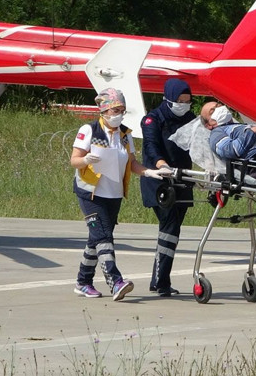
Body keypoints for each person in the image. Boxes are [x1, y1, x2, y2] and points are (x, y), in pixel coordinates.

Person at [69, 87, 169, 300]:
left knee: (96, 239)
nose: (118, 114)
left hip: (113, 194)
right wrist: (85, 160)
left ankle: (83, 281)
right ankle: (116, 282)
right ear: (103, 110)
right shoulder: (90, 130)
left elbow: (132, 163)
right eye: (114, 109)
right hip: (91, 194)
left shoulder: (125, 134)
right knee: (104, 238)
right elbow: (74, 160)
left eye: (121, 109)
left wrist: (150, 172)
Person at [140, 78, 196, 297]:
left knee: (172, 229)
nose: (183, 104)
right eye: (179, 100)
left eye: (187, 100)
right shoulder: (153, 119)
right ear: (169, 98)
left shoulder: (190, 119)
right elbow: (151, 146)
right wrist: (162, 164)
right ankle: (161, 282)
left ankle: (158, 279)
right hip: (159, 179)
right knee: (169, 225)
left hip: (182, 179)